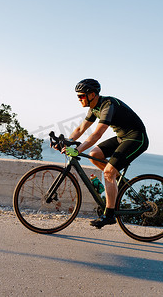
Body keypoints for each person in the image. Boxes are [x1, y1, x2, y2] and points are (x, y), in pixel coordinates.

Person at [62, 79, 149, 229]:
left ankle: (109, 215)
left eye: (81, 96)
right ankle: (114, 180)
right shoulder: (93, 108)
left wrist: (77, 150)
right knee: (95, 154)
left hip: (136, 138)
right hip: (122, 137)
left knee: (108, 172)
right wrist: (66, 142)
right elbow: (80, 129)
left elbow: (97, 134)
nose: (79, 99)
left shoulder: (107, 105)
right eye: (78, 96)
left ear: (92, 94)